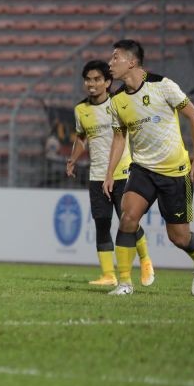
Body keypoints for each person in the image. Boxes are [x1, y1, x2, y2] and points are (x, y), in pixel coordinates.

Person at [103, 39, 194, 296]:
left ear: (132, 62)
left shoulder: (163, 85)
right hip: (143, 170)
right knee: (127, 218)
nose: (110, 63)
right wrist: (109, 174)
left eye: (115, 57)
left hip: (175, 173)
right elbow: (119, 138)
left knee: (179, 238)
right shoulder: (116, 101)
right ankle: (125, 284)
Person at [66, 60, 154, 288]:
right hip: (96, 175)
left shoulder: (120, 103)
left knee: (128, 221)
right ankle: (108, 274)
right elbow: (81, 138)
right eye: (88, 79)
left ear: (107, 82)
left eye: (97, 79)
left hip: (122, 173)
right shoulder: (81, 110)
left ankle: (145, 261)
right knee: (102, 224)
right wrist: (73, 160)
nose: (91, 84)